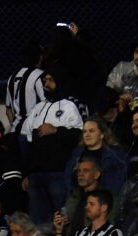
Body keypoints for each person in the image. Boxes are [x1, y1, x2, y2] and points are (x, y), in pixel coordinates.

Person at [22, 66, 84, 224]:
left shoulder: (69, 106)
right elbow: (26, 140)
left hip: (58, 173)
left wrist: (56, 130)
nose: (46, 84)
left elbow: (78, 136)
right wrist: (26, 173)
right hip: (36, 176)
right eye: (45, 80)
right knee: (38, 222)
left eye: (50, 80)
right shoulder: (37, 108)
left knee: (60, 218)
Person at [63, 117, 128, 195]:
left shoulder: (115, 155)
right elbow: (68, 178)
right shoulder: (76, 154)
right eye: (84, 132)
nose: (87, 135)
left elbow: (119, 181)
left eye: (91, 131)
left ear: (102, 134)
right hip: (79, 198)